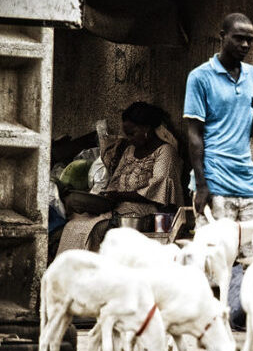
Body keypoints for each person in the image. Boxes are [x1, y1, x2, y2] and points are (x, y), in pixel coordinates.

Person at [56, 102, 184, 255]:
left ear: (147, 129)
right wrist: (105, 197)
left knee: (93, 228)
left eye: (132, 133)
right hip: (116, 208)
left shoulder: (165, 152)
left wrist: (119, 196)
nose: (128, 138)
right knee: (73, 226)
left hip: (143, 212)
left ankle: (90, 271)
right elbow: (115, 182)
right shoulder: (129, 150)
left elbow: (159, 189)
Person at [184, 12, 253, 226]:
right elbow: (194, 135)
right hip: (214, 177)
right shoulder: (199, 77)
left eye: (249, 40)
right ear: (222, 36)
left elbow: (247, 132)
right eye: (239, 38)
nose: (245, 45)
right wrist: (202, 186)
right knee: (218, 252)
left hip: (246, 177)